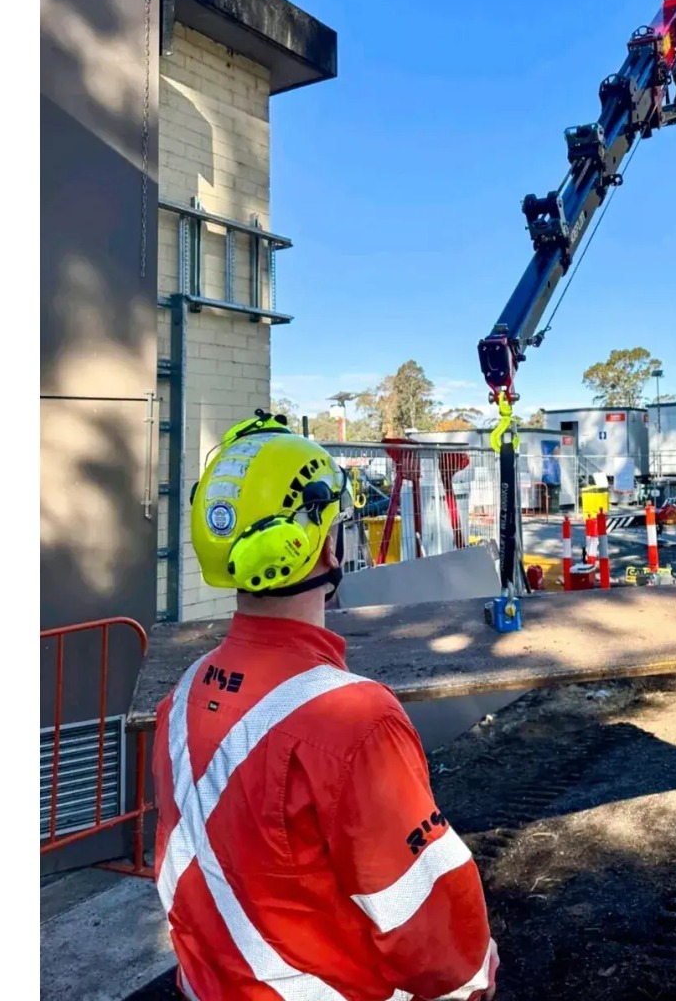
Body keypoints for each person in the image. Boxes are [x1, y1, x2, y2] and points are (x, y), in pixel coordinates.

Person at [152, 410, 498, 1001]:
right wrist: (473, 973)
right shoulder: (355, 722)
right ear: (319, 543)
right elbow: (429, 923)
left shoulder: (181, 698)